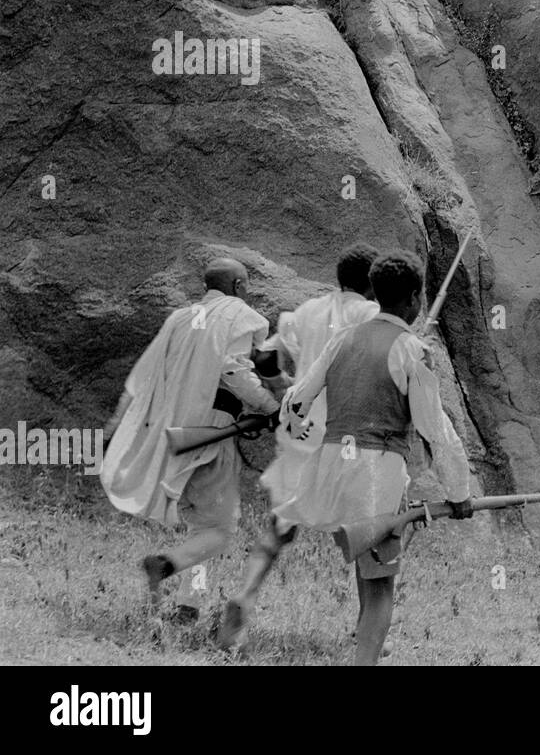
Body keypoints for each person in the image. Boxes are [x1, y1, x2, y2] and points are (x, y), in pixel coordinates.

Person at [229, 250, 472, 665]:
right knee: (379, 589)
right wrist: (460, 492)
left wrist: (295, 424)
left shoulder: (345, 338)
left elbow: (296, 398)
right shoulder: (411, 350)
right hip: (377, 474)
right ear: (414, 298)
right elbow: (438, 432)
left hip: (326, 466)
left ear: (376, 293)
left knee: (344, 554)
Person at [100, 258, 285, 622]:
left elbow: (142, 376)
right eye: (245, 285)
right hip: (211, 428)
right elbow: (234, 370)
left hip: (170, 433)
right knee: (218, 530)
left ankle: (189, 606)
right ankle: (166, 564)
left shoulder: (179, 318)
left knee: (201, 528)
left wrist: (118, 423)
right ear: (237, 286)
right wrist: (271, 406)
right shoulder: (241, 313)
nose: (246, 292)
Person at [217, 243, 380, 650]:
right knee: (363, 534)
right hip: (347, 437)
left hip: (300, 429)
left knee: (279, 526)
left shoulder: (307, 311)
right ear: (373, 285)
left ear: (340, 279)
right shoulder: (373, 316)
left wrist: (283, 388)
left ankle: (244, 595)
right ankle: (366, 629)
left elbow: (264, 356)